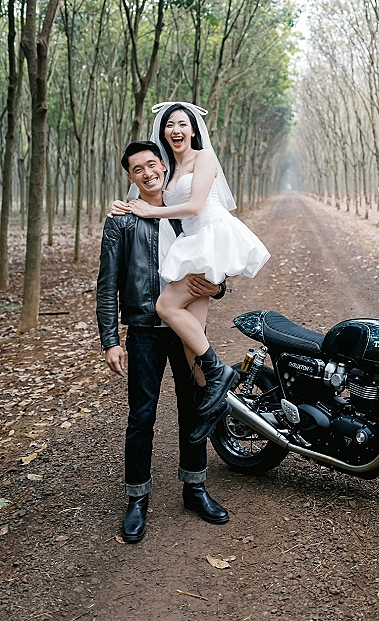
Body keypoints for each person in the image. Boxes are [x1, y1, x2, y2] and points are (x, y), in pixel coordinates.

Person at [96, 140, 231, 544]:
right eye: (138, 169)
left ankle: (195, 488)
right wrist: (110, 340)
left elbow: (215, 267)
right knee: (142, 416)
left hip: (186, 328)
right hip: (142, 332)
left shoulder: (187, 214)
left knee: (195, 409)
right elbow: (107, 286)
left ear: (163, 167)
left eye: (152, 164)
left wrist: (218, 287)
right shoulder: (121, 221)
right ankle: (137, 499)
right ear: (131, 177)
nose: (147, 172)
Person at [112, 102, 270, 422]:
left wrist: (150, 212)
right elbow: (150, 192)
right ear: (163, 132)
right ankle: (214, 410)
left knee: (166, 307)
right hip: (191, 243)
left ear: (194, 129)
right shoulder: (168, 168)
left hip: (208, 237)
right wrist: (128, 206)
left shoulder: (205, 157)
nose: (176, 130)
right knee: (191, 340)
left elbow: (196, 207)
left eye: (182, 124)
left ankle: (219, 372)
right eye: (170, 125)